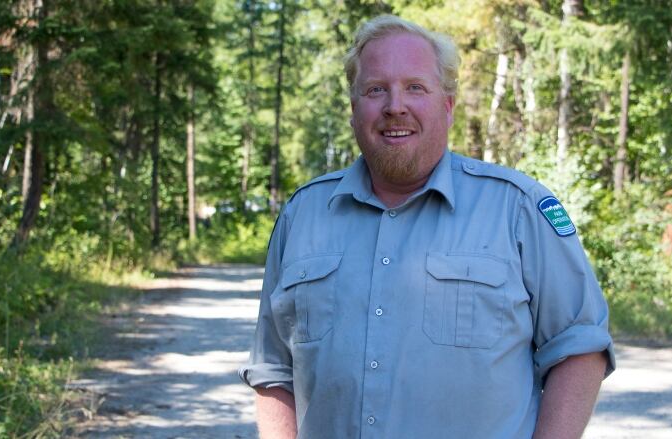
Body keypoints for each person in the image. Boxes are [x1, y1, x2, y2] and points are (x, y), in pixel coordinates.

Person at [239, 14, 615, 439]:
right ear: (353, 108)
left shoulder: (518, 209)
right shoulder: (302, 215)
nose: (394, 106)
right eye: (375, 89)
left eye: (415, 87)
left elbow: (579, 346)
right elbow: (273, 368)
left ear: (448, 105)